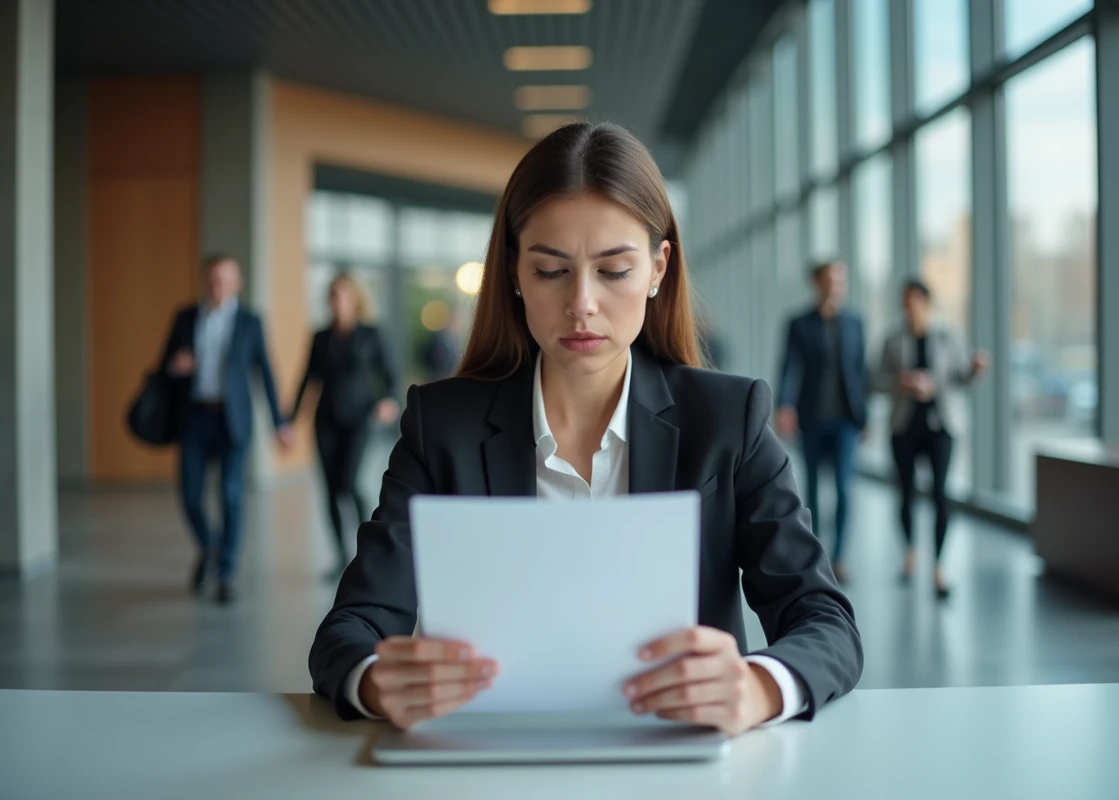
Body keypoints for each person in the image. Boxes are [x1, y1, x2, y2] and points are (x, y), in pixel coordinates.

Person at [309, 122, 862, 736]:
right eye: (551, 271)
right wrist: (374, 679)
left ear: (658, 268)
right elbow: (350, 628)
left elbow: (824, 620)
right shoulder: (442, 426)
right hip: (488, 767)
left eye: (613, 270)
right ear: (514, 271)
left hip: (680, 768)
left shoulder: (728, 422)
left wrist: (759, 686)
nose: (582, 303)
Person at [157, 253, 292, 604]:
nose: (219, 286)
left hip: (233, 419)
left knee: (231, 496)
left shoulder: (249, 321)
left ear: (237, 283)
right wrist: (176, 365)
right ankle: (211, 548)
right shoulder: (185, 318)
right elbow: (163, 368)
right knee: (189, 496)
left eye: (225, 279)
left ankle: (227, 572)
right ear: (205, 280)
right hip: (195, 417)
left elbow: (265, 371)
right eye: (213, 279)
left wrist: (280, 423)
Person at [874, 279, 990, 600]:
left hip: (941, 425)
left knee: (940, 492)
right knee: (906, 491)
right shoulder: (892, 338)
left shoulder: (948, 335)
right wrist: (901, 382)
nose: (908, 307)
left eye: (913, 300)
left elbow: (960, 378)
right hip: (904, 425)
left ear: (926, 302)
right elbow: (875, 379)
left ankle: (938, 565)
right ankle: (911, 549)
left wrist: (975, 370)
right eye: (904, 301)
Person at [290, 273, 399, 582]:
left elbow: (390, 374)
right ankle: (340, 556)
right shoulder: (321, 336)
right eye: (333, 296)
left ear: (355, 299)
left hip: (359, 420)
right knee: (328, 491)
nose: (337, 302)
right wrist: (289, 421)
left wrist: (389, 400)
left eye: (343, 296)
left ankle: (369, 548)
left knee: (348, 484)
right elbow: (308, 379)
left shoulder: (371, 334)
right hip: (325, 421)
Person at [774, 261, 868, 584]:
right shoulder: (799, 324)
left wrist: (865, 417)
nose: (836, 286)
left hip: (846, 420)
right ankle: (818, 556)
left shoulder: (855, 323)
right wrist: (784, 405)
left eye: (840, 280)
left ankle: (840, 557)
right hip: (812, 418)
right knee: (812, 489)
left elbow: (860, 372)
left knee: (844, 488)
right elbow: (789, 367)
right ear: (816, 283)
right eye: (830, 280)